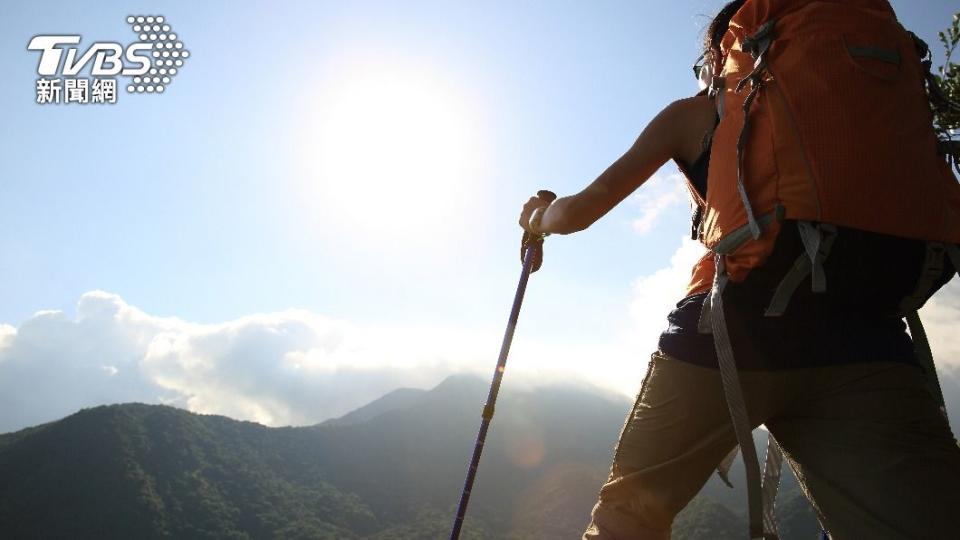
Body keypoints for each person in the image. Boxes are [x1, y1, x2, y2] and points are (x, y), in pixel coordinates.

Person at [518, 1, 960, 538]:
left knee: (625, 521)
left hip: (726, 333)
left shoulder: (695, 114)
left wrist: (539, 217)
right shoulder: (873, 96)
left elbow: (579, 212)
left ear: (729, 49)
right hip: (868, 338)